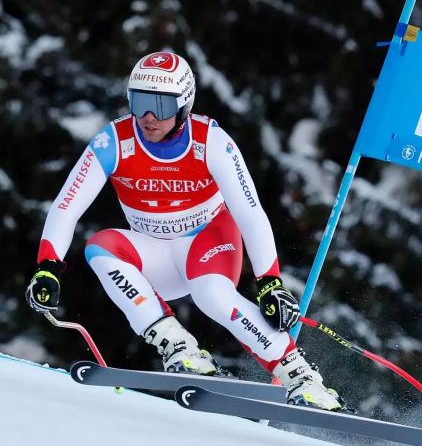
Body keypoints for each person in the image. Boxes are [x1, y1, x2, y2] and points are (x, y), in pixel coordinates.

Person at [25, 51, 345, 411]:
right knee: (100, 248)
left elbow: (251, 213)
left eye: (160, 106)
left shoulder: (211, 142)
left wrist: (269, 282)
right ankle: (179, 346)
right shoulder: (113, 141)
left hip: (208, 241)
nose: (147, 117)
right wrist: (47, 267)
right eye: (140, 102)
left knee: (211, 295)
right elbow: (67, 205)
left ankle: (301, 377)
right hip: (155, 252)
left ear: (184, 104)